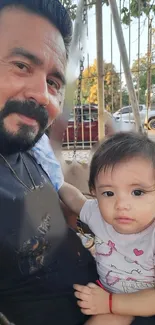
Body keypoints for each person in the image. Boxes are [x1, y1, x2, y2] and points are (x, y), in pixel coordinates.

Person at [0, 1, 97, 324]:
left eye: (54, 82)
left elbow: (54, 221)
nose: (43, 94)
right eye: (22, 65)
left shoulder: (28, 148)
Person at [73, 131, 155, 325]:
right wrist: (56, 184)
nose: (121, 204)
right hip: (110, 296)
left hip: (144, 299)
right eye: (108, 193)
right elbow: (74, 200)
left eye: (137, 192)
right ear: (95, 192)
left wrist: (110, 303)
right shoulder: (97, 214)